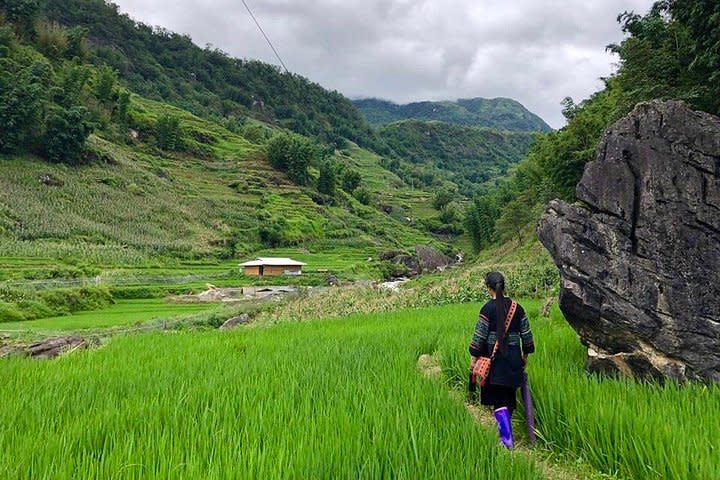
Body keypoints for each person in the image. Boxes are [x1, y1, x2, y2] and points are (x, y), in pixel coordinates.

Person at [468, 271, 535, 449]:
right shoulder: (517, 308)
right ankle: (506, 435)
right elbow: (527, 336)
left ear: (488, 288)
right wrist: (525, 356)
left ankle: (507, 440)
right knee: (508, 397)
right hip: (513, 360)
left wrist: (473, 358)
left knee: (498, 400)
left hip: (494, 360)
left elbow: (479, 337)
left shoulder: (487, 309)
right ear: (503, 286)